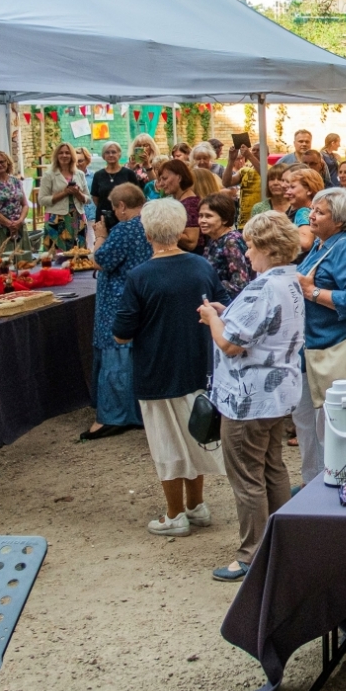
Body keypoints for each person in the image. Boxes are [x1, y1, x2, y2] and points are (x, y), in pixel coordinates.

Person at [197, 211, 305, 581]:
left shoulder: (263, 286)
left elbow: (230, 344)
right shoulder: (289, 280)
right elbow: (261, 327)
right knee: (272, 466)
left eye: (250, 245)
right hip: (278, 392)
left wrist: (213, 319)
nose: (246, 253)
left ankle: (251, 554)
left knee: (246, 475)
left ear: (264, 248)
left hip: (250, 398)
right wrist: (228, 313)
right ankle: (282, 541)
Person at [112, 199, 224, 537]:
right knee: (195, 436)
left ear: (147, 232)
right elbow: (221, 306)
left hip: (157, 370)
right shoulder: (201, 266)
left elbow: (121, 333)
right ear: (179, 229)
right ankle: (196, 505)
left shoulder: (140, 276)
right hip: (198, 365)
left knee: (167, 445)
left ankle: (175, 514)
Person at [292, 188, 346, 481]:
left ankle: (335, 485)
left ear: (339, 220)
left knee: (331, 429)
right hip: (310, 350)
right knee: (308, 426)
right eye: (312, 209)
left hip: (331, 350)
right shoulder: (322, 243)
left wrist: (312, 292)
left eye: (320, 212)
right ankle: (312, 483)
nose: (311, 215)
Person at [81, 184, 152, 441]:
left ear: (122, 206)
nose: (113, 212)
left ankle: (112, 416)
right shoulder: (150, 224)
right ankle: (136, 411)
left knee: (115, 354)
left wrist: (99, 236)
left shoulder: (124, 228)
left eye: (114, 207)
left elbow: (101, 260)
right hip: (140, 297)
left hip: (118, 299)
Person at [198, 193, 252, 304]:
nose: (202, 220)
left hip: (230, 306)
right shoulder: (213, 239)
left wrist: (209, 284)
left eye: (208, 216)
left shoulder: (231, 241)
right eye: (200, 216)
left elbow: (241, 284)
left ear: (225, 219)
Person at [39, 142, 90, 252]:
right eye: (61, 153)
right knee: (56, 256)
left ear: (72, 155)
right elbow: (42, 200)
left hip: (77, 219)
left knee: (78, 254)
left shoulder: (79, 174)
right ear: (56, 156)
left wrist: (77, 193)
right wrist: (64, 193)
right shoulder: (49, 175)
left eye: (67, 153)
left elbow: (88, 199)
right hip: (56, 220)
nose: (64, 155)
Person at [152, 158, 202, 253]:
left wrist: (162, 229)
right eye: (160, 179)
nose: (161, 184)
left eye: (165, 178)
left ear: (179, 178)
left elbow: (191, 242)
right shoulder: (180, 201)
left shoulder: (190, 204)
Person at [0, 150, 30, 253]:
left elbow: (25, 205)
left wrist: (19, 222)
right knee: (3, 265)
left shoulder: (16, 181)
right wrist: (9, 224)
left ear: (8, 163)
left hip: (19, 228)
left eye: (2, 162)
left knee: (23, 264)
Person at [89, 143, 138, 235]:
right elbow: (95, 198)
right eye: (107, 152)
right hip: (103, 217)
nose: (111, 155)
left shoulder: (129, 174)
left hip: (125, 217)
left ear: (119, 154)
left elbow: (136, 197)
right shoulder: (98, 175)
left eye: (113, 152)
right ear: (103, 156)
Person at [285, 167, 325, 250]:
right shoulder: (316, 211)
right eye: (287, 188)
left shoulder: (303, 212)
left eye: (292, 187)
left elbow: (305, 243)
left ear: (309, 190)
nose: (287, 192)